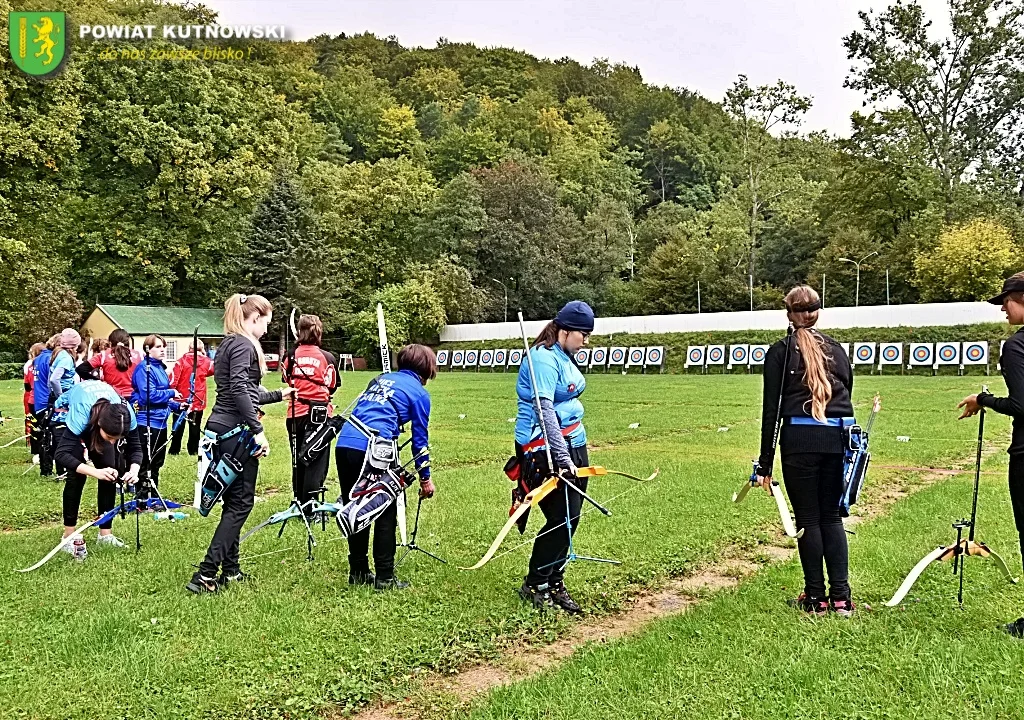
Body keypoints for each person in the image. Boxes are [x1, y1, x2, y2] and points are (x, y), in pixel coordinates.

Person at [755, 285, 855, 617]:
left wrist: (764, 464)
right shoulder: (837, 349)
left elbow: (772, 410)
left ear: (789, 313)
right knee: (831, 517)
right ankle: (841, 598)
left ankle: (815, 598)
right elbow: (847, 392)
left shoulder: (780, 352)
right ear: (816, 312)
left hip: (799, 442)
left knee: (809, 519)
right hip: (837, 440)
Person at [187, 293, 293, 594]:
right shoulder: (246, 345)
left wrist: (279, 394)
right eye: (266, 323)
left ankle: (230, 570)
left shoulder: (228, 344)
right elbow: (238, 391)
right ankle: (206, 573)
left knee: (233, 502)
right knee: (242, 504)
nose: (267, 330)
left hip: (220, 427)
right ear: (255, 317)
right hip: (236, 432)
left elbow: (243, 389)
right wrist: (257, 429)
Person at [513, 301, 594, 615]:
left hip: (573, 443)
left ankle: (554, 579)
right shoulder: (542, 360)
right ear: (564, 330)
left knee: (572, 517)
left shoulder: (564, 356)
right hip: (543, 448)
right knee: (560, 517)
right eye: (582, 334)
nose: (585, 340)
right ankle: (535, 582)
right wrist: (561, 458)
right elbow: (545, 411)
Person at [335, 344, 436, 590]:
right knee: (384, 509)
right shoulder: (420, 394)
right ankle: (385, 577)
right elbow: (420, 442)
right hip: (372, 448)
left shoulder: (379, 379)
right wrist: (425, 479)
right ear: (426, 368)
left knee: (355, 506)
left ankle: (358, 571)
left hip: (345, 441)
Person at [957, 272, 1024, 637]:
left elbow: (1021, 404)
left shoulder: (1016, 346)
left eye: (1006, 302)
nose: (1002, 309)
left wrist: (983, 399)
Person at [53, 380, 142, 556]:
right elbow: (61, 455)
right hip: (65, 415)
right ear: (100, 425)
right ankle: (68, 536)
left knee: (111, 470)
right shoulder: (82, 414)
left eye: (116, 438)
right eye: (109, 437)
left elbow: (136, 447)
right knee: (77, 476)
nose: (112, 442)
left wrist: (133, 470)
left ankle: (105, 533)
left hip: (97, 415)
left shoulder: (126, 414)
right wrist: (94, 472)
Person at [282, 315, 339, 513]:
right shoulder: (328, 357)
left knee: (298, 458)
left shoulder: (290, 355)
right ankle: (310, 506)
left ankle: (298, 500)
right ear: (318, 332)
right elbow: (332, 385)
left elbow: (286, 379)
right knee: (316, 460)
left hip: (295, 414)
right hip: (319, 416)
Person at [130, 335, 181, 502]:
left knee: (157, 461)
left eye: (163, 346)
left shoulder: (160, 368)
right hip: (146, 422)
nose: (163, 350)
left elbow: (162, 398)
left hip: (160, 421)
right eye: (158, 347)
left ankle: (153, 496)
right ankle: (142, 499)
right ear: (147, 349)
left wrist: (177, 406)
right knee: (145, 461)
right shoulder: (144, 369)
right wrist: (171, 392)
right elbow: (148, 396)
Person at [48, 329, 85, 479]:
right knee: (65, 435)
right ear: (74, 345)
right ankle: (69, 467)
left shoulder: (58, 354)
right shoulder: (66, 358)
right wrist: (61, 396)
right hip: (63, 403)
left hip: (59, 400)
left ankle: (66, 467)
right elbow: (54, 379)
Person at [168, 338, 214, 456]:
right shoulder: (207, 362)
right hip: (197, 399)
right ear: (202, 349)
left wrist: (171, 393)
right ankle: (193, 450)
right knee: (195, 426)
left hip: (181, 399)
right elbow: (213, 370)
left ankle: (174, 449)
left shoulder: (181, 362)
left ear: (189, 348)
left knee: (178, 424)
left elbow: (174, 380)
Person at [84, 329, 141, 400]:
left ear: (110, 343)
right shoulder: (139, 355)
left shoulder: (104, 355)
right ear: (128, 342)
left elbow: (81, 369)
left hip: (112, 397)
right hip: (135, 398)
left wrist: (98, 382)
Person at [32, 334, 60, 477]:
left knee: (45, 435)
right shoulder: (51, 359)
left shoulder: (37, 359)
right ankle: (51, 470)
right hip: (48, 401)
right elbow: (53, 381)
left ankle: (45, 469)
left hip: (38, 401)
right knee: (52, 437)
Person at [23, 343, 44, 464]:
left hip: (31, 398)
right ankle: (45, 453)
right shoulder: (46, 363)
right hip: (42, 399)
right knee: (44, 426)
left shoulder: (28, 365)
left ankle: (35, 452)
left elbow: (26, 385)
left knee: (33, 425)